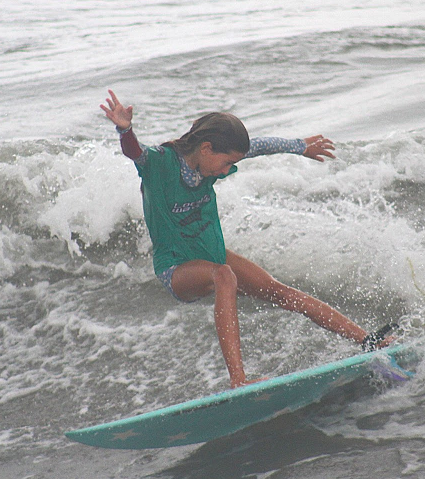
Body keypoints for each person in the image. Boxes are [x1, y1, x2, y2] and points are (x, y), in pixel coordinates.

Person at [101, 90, 392, 388]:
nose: (227, 171)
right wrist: (125, 129)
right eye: (226, 163)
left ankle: (367, 340)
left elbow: (261, 145)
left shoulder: (212, 160)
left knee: (280, 291)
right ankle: (238, 380)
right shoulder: (160, 163)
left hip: (211, 253)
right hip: (176, 267)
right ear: (206, 148)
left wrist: (300, 146)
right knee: (224, 275)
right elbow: (135, 152)